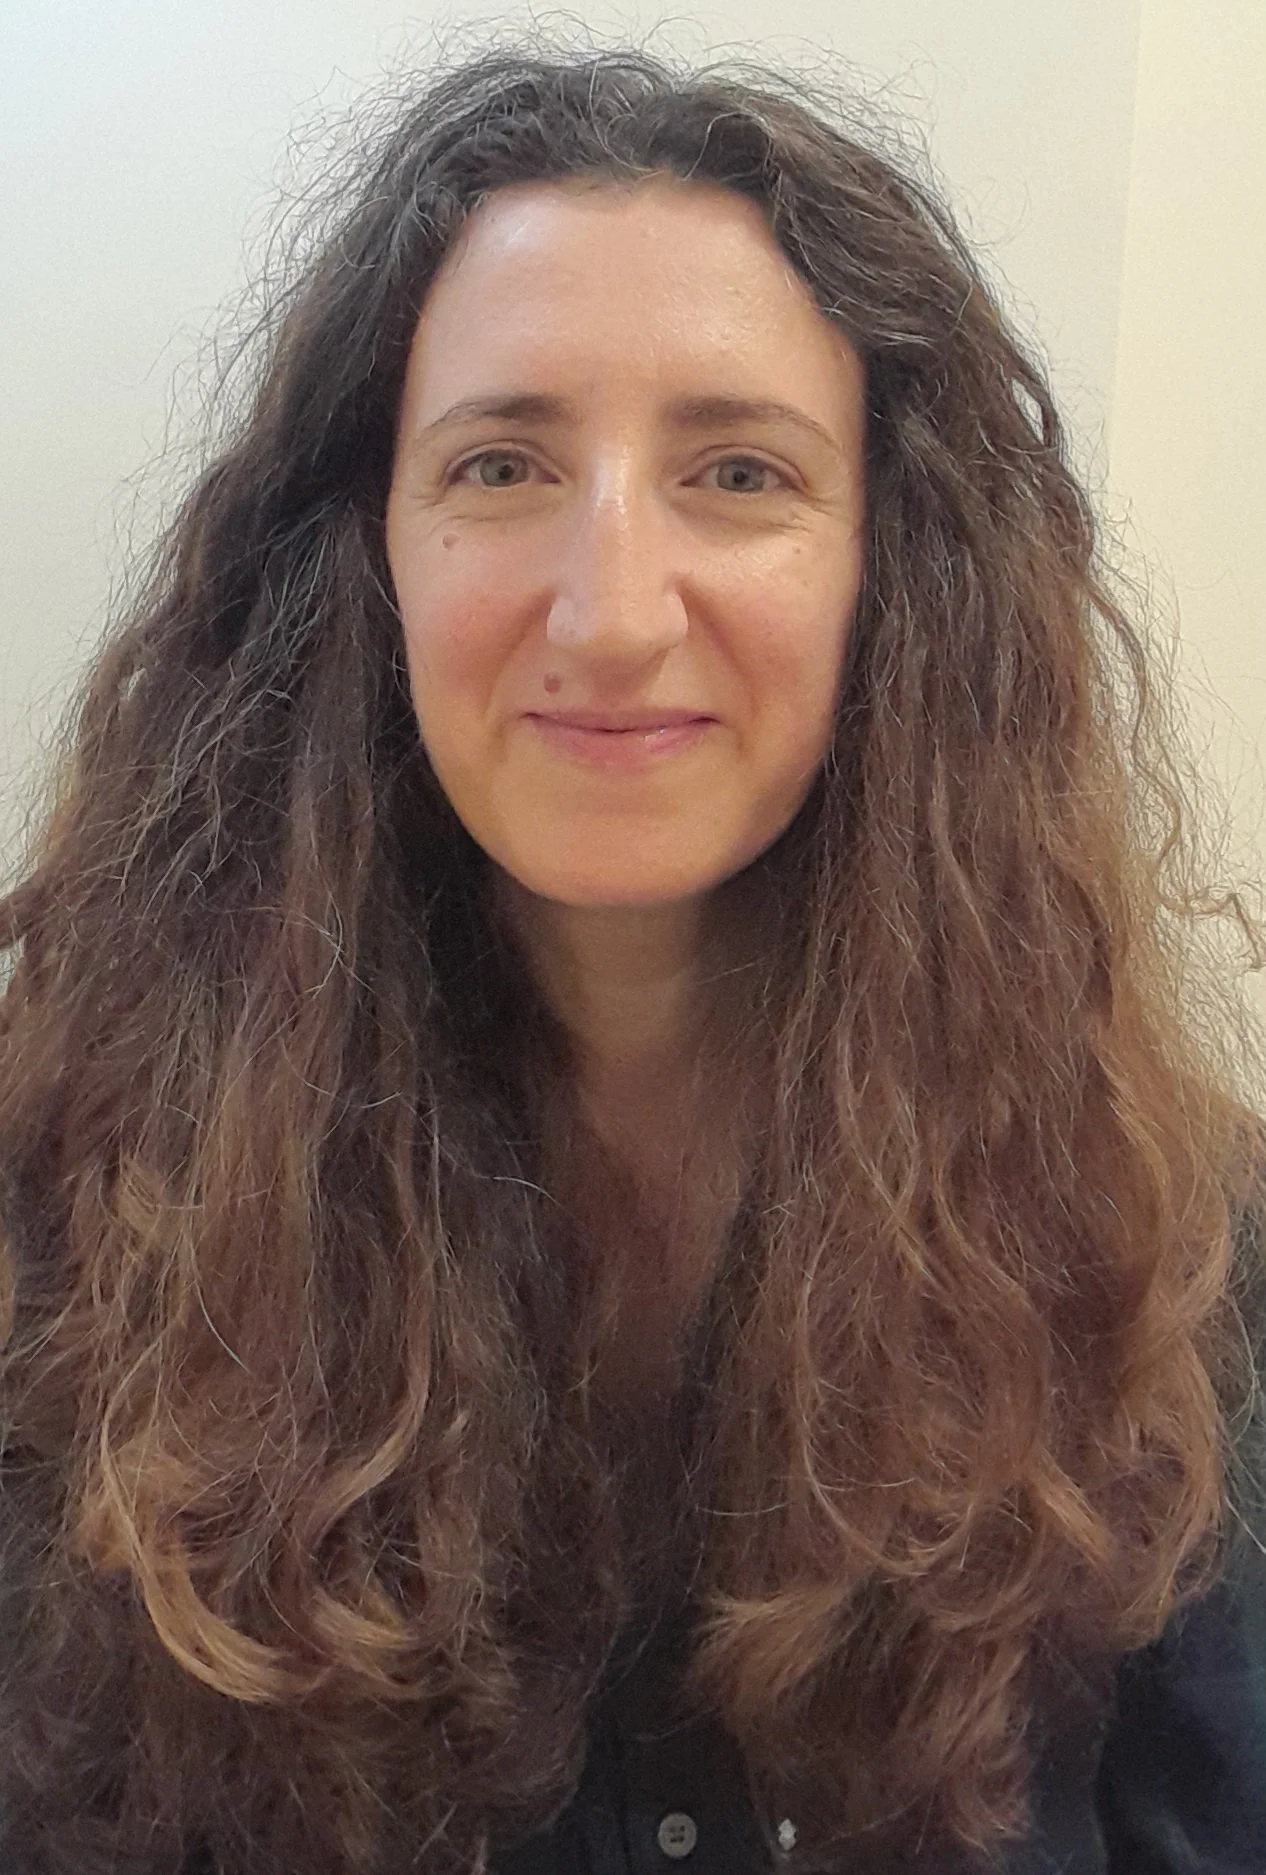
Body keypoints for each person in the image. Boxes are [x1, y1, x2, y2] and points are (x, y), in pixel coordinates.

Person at [1, 42, 1263, 1875]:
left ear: (888, 567)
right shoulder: (67, 1235)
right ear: (369, 549)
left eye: (737, 472)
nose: (607, 612)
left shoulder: (1179, 1272)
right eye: (501, 464)